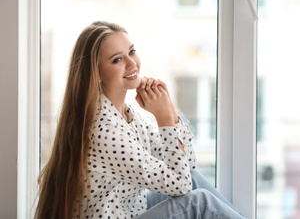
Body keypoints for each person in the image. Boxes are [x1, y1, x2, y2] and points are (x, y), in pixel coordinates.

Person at [34, 21, 245, 219]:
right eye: (117, 59)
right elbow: (180, 184)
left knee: (196, 180)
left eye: (132, 52)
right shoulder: (104, 130)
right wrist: (164, 119)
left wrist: (170, 112)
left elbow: (187, 165)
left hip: (132, 210)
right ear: (96, 73)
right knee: (199, 203)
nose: (131, 63)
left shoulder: (127, 114)